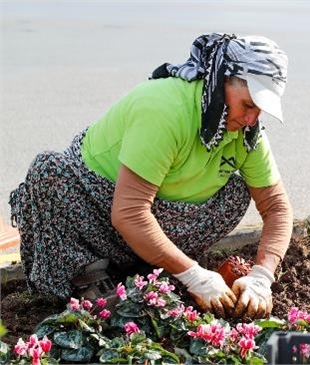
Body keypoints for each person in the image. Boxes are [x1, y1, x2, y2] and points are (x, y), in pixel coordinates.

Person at [9, 33, 293, 320]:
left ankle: (152, 267)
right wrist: (194, 275)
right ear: (221, 82)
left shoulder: (247, 134)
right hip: (97, 211)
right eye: (248, 104)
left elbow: (277, 208)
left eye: (260, 109)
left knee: (236, 191)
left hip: (153, 222)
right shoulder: (166, 110)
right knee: (48, 170)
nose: (251, 119)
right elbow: (129, 212)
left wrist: (262, 276)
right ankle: (90, 276)